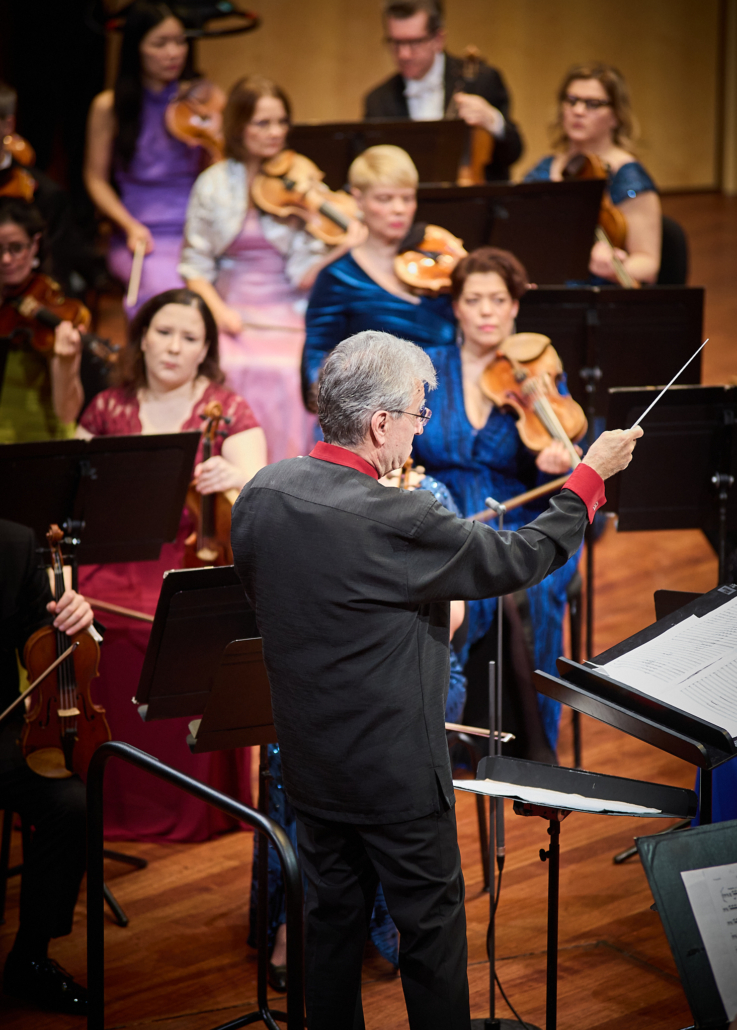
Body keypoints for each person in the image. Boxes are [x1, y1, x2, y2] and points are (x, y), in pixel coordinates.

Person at [230, 328, 642, 1028]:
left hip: (310, 763)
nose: (422, 427)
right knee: (432, 943)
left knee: (329, 928)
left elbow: (274, 593)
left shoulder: (262, 493)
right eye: (418, 413)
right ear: (378, 422)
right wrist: (588, 478)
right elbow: (523, 556)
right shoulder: (401, 516)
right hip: (396, 774)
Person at [74, 289, 266, 841]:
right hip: (115, 558)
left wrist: (233, 477)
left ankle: (190, 803)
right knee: (85, 623)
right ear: (141, 338)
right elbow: (75, 494)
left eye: (189, 338)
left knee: (178, 628)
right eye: (163, 333)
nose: (174, 347)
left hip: (188, 561)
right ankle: (101, 798)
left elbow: (259, 497)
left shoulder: (228, 408)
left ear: (205, 349)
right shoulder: (108, 406)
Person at [411, 245, 585, 755]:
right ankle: (442, 739)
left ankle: (529, 748)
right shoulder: (426, 368)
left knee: (525, 587)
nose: (486, 311)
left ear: (515, 307)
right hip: (438, 511)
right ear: (456, 307)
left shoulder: (535, 375)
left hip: (517, 512)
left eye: (498, 299)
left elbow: (568, 450)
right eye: (474, 300)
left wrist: (553, 462)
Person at [180, 75, 363, 462]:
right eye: (262, 123)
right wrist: (218, 312)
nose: (276, 132)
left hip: (290, 307)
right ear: (238, 127)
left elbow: (305, 276)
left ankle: (289, 478)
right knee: (227, 364)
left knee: (292, 369)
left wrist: (341, 247)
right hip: (229, 306)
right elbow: (195, 266)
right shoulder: (213, 183)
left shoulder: (299, 179)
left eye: (281, 122)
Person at [0, 518, 94, 1015]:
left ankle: (29, 959)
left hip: (2, 728)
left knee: (73, 802)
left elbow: (44, 636)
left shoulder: (12, 543)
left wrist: (77, 619)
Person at [302, 144, 456, 405]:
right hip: (376, 404)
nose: (399, 209)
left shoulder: (437, 266)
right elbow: (318, 354)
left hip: (447, 393)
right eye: (385, 199)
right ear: (358, 199)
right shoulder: (338, 276)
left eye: (407, 198)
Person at [84, 1, 204, 314]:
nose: (173, 53)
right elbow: (95, 179)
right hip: (140, 232)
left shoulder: (200, 100)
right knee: (164, 296)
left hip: (198, 229)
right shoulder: (108, 106)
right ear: (136, 48)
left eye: (180, 42)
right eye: (160, 44)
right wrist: (128, 225)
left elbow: (218, 169)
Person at [524, 62, 662, 285]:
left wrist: (614, 268)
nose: (578, 111)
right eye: (571, 101)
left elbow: (648, 264)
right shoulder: (544, 167)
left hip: (595, 295)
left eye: (593, 104)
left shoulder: (628, 176)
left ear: (616, 115)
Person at [364, 0, 523, 181]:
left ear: (438, 39)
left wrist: (494, 122)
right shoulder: (378, 100)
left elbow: (514, 153)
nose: (403, 54)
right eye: (396, 42)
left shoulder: (481, 81)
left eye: (414, 42)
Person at [0, 197, 85, 443]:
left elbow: (67, 413)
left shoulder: (54, 307)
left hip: (38, 443)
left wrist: (67, 363)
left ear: (35, 244)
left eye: (16, 247)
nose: (6, 259)